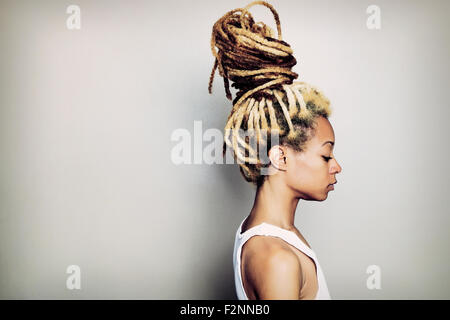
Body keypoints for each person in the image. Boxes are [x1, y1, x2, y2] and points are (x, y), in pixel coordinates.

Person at [208, 1, 342, 300]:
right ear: (279, 156)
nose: (336, 167)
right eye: (325, 155)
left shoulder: (270, 236)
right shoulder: (276, 259)